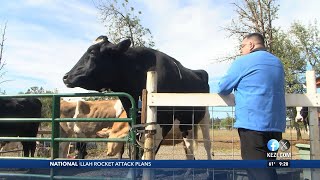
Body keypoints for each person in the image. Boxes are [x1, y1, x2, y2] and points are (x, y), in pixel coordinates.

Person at [217, 33, 286, 180]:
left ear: (251, 45)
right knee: (269, 168)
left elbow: (222, 87)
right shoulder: (277, 62)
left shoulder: (243, 62)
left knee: (259, 173)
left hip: (253, 126)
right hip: (275, 127)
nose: (241, 50)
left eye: (242, 46)